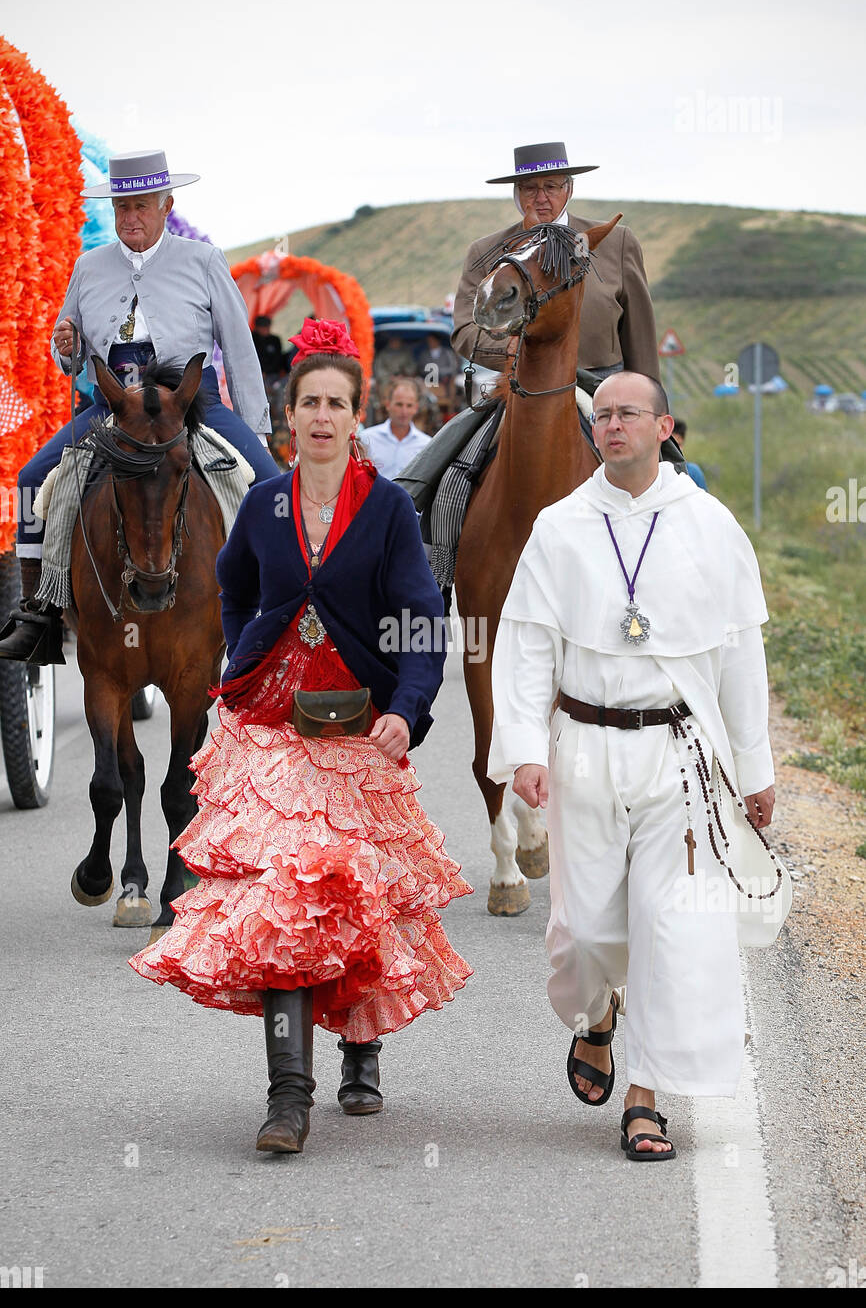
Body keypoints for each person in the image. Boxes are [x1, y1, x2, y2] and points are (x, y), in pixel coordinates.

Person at [129, 319, 472, 1155]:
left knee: (353, 893)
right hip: (272, 728)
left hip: (359, 726)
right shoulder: (262, 504)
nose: (322, 416)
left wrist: (409, 707)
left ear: (357, 419)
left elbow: (423, 620)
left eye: (336, 403)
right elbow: (233, 590)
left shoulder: (388, 508)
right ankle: (288, 1098)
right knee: (288, 897)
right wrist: (250, 654)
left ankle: (363, 1048)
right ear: (289, 418)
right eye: (309, 402)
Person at [489, 370, 789, 1162]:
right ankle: (596, 1016)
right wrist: (522, 749)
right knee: (586, 930)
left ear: (664, 427)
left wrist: (753, 768)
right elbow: (524, 645)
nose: (612, 424)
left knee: (669, 928)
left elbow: (739, 654)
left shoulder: (711, 525)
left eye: (629, 413)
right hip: (583, 749)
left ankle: (646, 1097)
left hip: (681, 758)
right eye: (604, 414)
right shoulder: (558, 526)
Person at [0, 149, 280, 666]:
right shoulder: (88, 266)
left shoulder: (204, 261)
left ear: (166, 205)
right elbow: (70, 348)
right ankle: (39, 612)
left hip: (193, 404)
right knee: (30, 479)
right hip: (114, 407)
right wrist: (66, 347)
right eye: (121, 208)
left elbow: (239, 348)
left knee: (270, 484)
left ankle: (277, 612)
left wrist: (255, 427)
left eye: (141, 206)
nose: (130, 218)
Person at [452, 142, 660, 381]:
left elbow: (640, 332)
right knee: (467, 421)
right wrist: (510, 350)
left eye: (551, 187)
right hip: (522, 383)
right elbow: (465, 330)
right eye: (530, 188)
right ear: (516, 193)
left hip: (603, 385)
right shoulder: (485, 251)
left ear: (569, 189)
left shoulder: (617, 242)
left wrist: (649, 396)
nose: (541, 198)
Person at [362, 377, 432, 479]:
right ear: (388, 404)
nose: (404, 411)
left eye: (409, 405)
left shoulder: (426, 445)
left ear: (416, 408)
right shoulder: (367, 438)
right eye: (399, 404)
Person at [672, 417, 708, 490]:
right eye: (672, 445)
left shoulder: (693, 472)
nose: (676, 449)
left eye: (679, 445)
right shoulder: (655, 473)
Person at [251, 314, 287, 382]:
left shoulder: (274, 340)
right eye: (263, 327)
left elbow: (278, 358)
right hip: (257, 374)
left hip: (274, 374)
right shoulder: (252, 340)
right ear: (257, 327)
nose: (266, 329)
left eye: (267, 326)